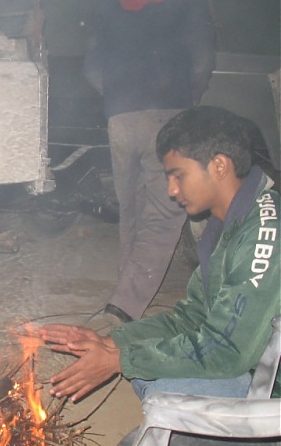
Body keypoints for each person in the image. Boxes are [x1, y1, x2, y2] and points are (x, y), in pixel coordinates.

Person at [41, 106, 280, 403]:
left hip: (269, 386)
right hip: (250, 366)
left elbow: (228, 350)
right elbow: (192, 318)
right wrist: (113, 342)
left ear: (219, 166)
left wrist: (120, 360)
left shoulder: (266, 230)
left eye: (178, 176)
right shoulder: (225, 223)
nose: (171, 190)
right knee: (147, 371)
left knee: (159, 387)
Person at [84, 0, 216, 323]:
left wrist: (114, 98)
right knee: (163, 215)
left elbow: (92, 64)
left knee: (133, 210)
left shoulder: (110, 3)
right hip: (167, 115)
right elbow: (202, 57)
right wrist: (191, 99)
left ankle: (127, 284)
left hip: (121, 118)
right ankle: (123, 310)